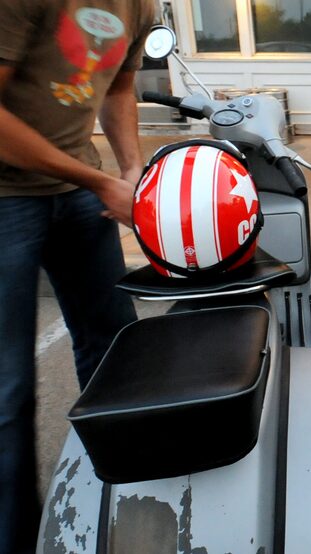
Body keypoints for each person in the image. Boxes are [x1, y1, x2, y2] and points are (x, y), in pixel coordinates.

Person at [0, 1, 154, 552]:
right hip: (6, 199)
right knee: (7, 390)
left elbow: (116, 90)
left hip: (78, 192)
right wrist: (96, 180)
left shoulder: (140, 5)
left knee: (115, 347)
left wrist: (130, 171)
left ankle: (126, 494)